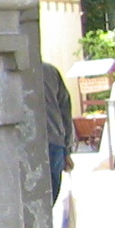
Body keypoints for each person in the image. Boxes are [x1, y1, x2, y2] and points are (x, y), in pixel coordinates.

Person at [41, 62, 74, 202]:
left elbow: (64, 108)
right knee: (48, 200)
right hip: (53, 141)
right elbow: (65, 108)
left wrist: (67, 150)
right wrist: (67, 150)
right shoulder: (50, 71)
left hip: (50, 142)